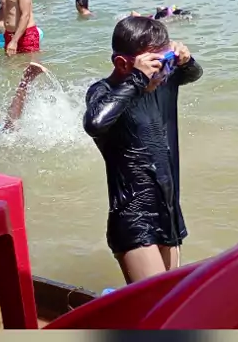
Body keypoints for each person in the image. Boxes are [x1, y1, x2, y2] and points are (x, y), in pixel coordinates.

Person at [83, 15, 203, 284]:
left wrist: (185, 60)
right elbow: (95, 123)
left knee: (174, 297)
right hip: (134, 215)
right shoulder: (105, 91)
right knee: (157, 302)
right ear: (123, 64)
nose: (164, 72)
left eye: (166, 62)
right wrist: (136, 80)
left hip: (168, 210)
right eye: (156, 65)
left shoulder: (162, 81)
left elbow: (194, 74)